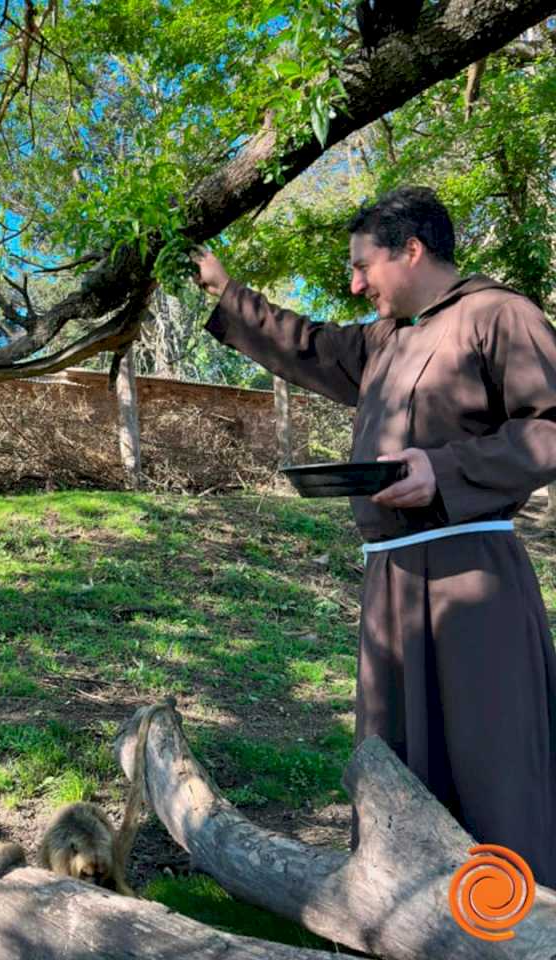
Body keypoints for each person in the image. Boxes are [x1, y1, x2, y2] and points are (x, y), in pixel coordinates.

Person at [194, 185, 556, 885]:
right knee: (396, 763)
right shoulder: (383, 340)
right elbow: (303, 344)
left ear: (411, 250)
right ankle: (403, 910)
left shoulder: (499, 315)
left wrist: (446, 469)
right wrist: (225, 288)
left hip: (470, 578)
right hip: (389, 581)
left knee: (491, 760)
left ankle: (515, 925)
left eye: (363, 266)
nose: (355, 284)